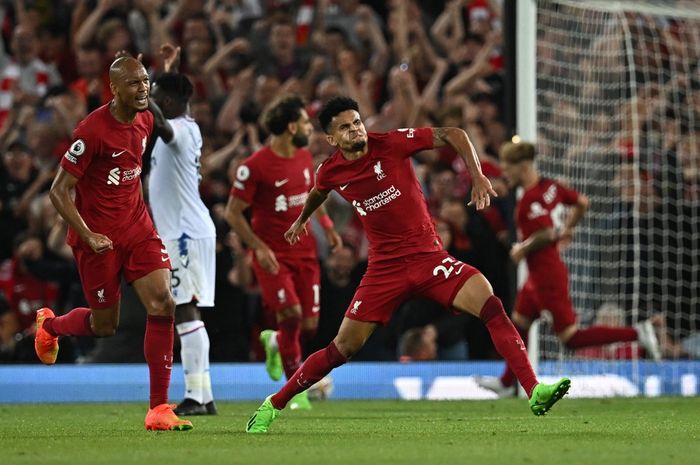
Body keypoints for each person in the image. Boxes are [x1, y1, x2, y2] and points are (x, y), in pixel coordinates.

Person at [245, 96, 570, 433]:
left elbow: (454, 133)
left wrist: (477, 175)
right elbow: (318, 190)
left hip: (429, 259)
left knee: (491, 304)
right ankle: (275, 404)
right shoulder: (330, 170)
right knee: (342, 348)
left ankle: (534, 390)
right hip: (384, 270)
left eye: (357, 122)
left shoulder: (392, 143)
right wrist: (302, 220)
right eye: (345, 127)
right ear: (331, 139)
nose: (356, 129)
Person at [34, 56, 192, 431]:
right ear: (115, 89)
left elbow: (132, 172)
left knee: (163, 303)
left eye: (145, 83)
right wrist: (88, 234)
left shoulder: (146, 119)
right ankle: (51, 326)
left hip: (138, 229)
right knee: (105, 325)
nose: (143, 90)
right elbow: (58, 192)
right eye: (135, 84)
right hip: (97, 240)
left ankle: (158, 409)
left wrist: (140, 216)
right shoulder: (91, 132)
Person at [477, 141, 661, 397]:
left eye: (507, 169)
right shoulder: (551, 187)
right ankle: (508, 383)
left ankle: (637, 332)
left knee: (570, 338)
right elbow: (582, 202)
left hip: (547, 274)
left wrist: (523, 248)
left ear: (522, 167)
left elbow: (545, 232)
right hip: (539, 273)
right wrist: (569, 229)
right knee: (519, 322)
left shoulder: (530, 200)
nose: (505, 175)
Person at [225, 94, 342, 411]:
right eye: (305, 122)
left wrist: (328, 226)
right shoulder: (254, 167)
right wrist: (258, 248)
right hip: (272, 255)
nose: (309, 128)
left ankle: (275, 341)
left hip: (305, 253)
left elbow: (311, 196)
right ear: (292, 127)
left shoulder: (304, 157)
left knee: (308, 326)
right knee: (289, 315)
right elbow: (233, 213)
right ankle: (297, 392)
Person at [148, 44, 217, 416]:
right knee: (187, 311)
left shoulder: (180, 129)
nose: (149, 104)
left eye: (157, 98)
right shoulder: (180, 126)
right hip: (184, 231)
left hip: (185, 234)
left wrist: (141, 90)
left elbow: (160, 122)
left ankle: (195, 396)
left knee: (185, 311)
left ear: (171, 102)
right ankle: (204, 396)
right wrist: (164, 72)